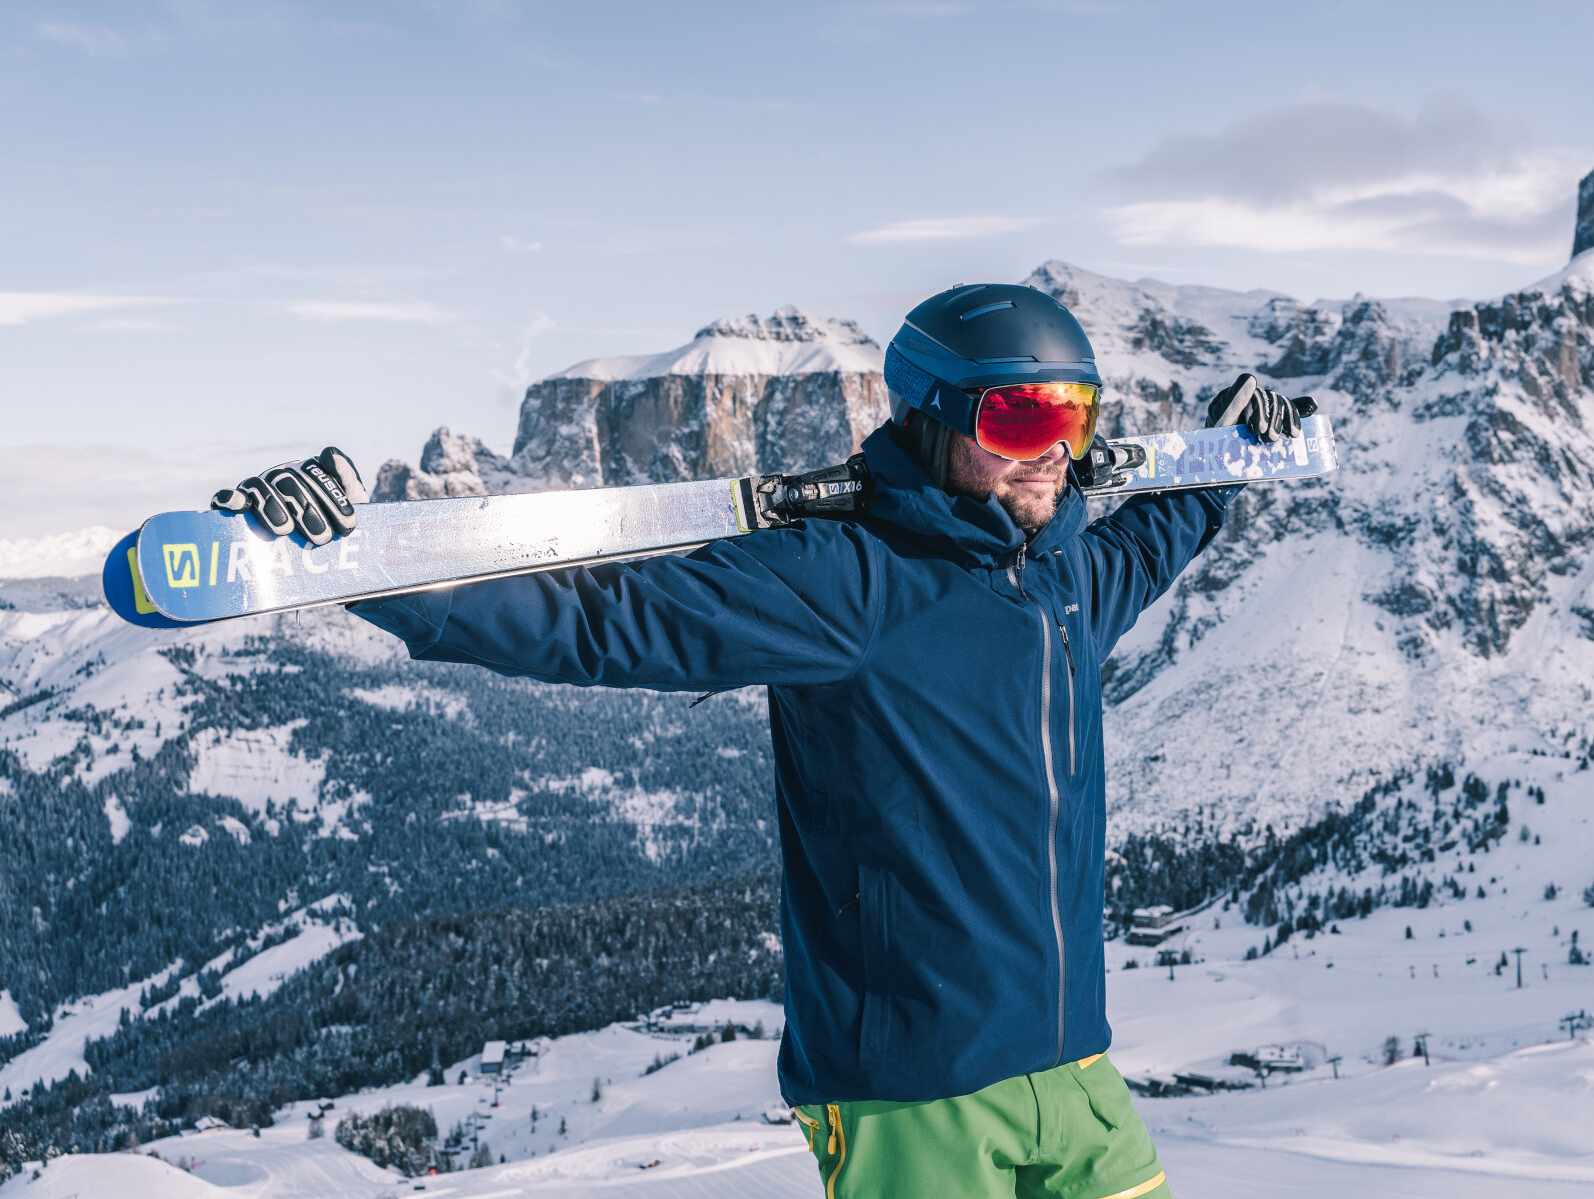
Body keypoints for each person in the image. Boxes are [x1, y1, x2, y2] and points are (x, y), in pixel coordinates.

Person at [215, 283, 1301, 1198]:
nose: (1057, 450)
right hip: (911, 1086)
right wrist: (356, 566)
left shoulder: (1063, 579)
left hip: (1073, 1059)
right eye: (1022, 418)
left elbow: (1160, 531)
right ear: (936, 416)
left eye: (1077, 414)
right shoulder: (847, 580)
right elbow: (602, 620)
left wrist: (1231, 455)